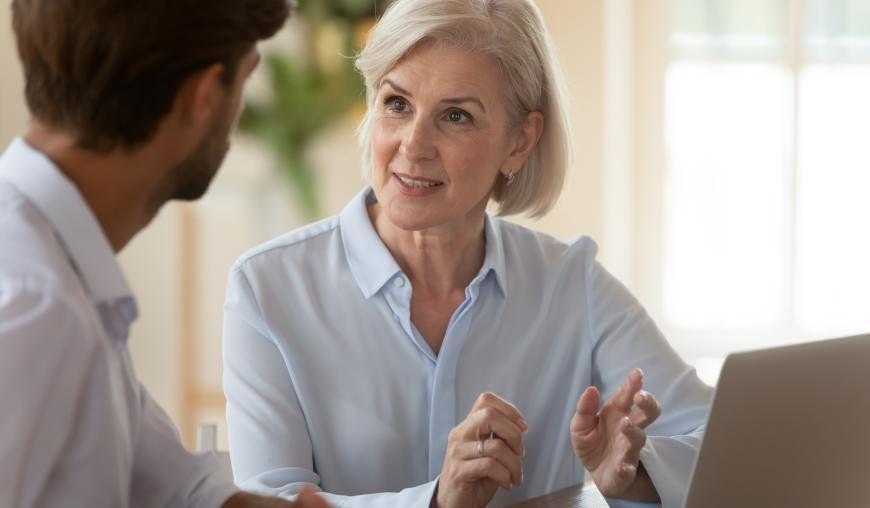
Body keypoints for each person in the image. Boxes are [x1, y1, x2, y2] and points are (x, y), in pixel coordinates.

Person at [222, 0, 713, 507]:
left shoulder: (572, 284)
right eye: (396, 104)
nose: (413, 145)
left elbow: (717, 439)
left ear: (519, 142)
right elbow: (270, 503)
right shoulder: (267, 288)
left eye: (455, 115)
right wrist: (435, 501)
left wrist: (635, 475)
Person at [0, 1, 328, 507]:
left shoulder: (67, 274)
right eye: (243, 81)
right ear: (202, 98)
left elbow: (174, 488)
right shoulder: (37, 303)